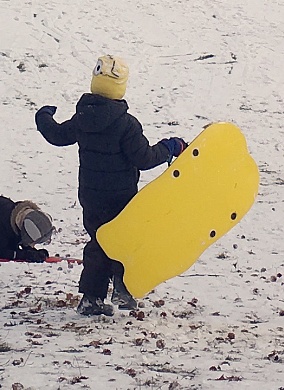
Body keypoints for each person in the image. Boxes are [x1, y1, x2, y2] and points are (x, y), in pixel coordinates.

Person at [35, 53, 185, 317]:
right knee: (123, 239)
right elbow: (144, 158)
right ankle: (120, 289)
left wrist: (43, 117)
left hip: (91, 196)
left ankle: (95, 296)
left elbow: (57, 135)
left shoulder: (83, 119)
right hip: (121, 196)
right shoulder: (126, 124)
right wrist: (169, 146)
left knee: (101, 240)